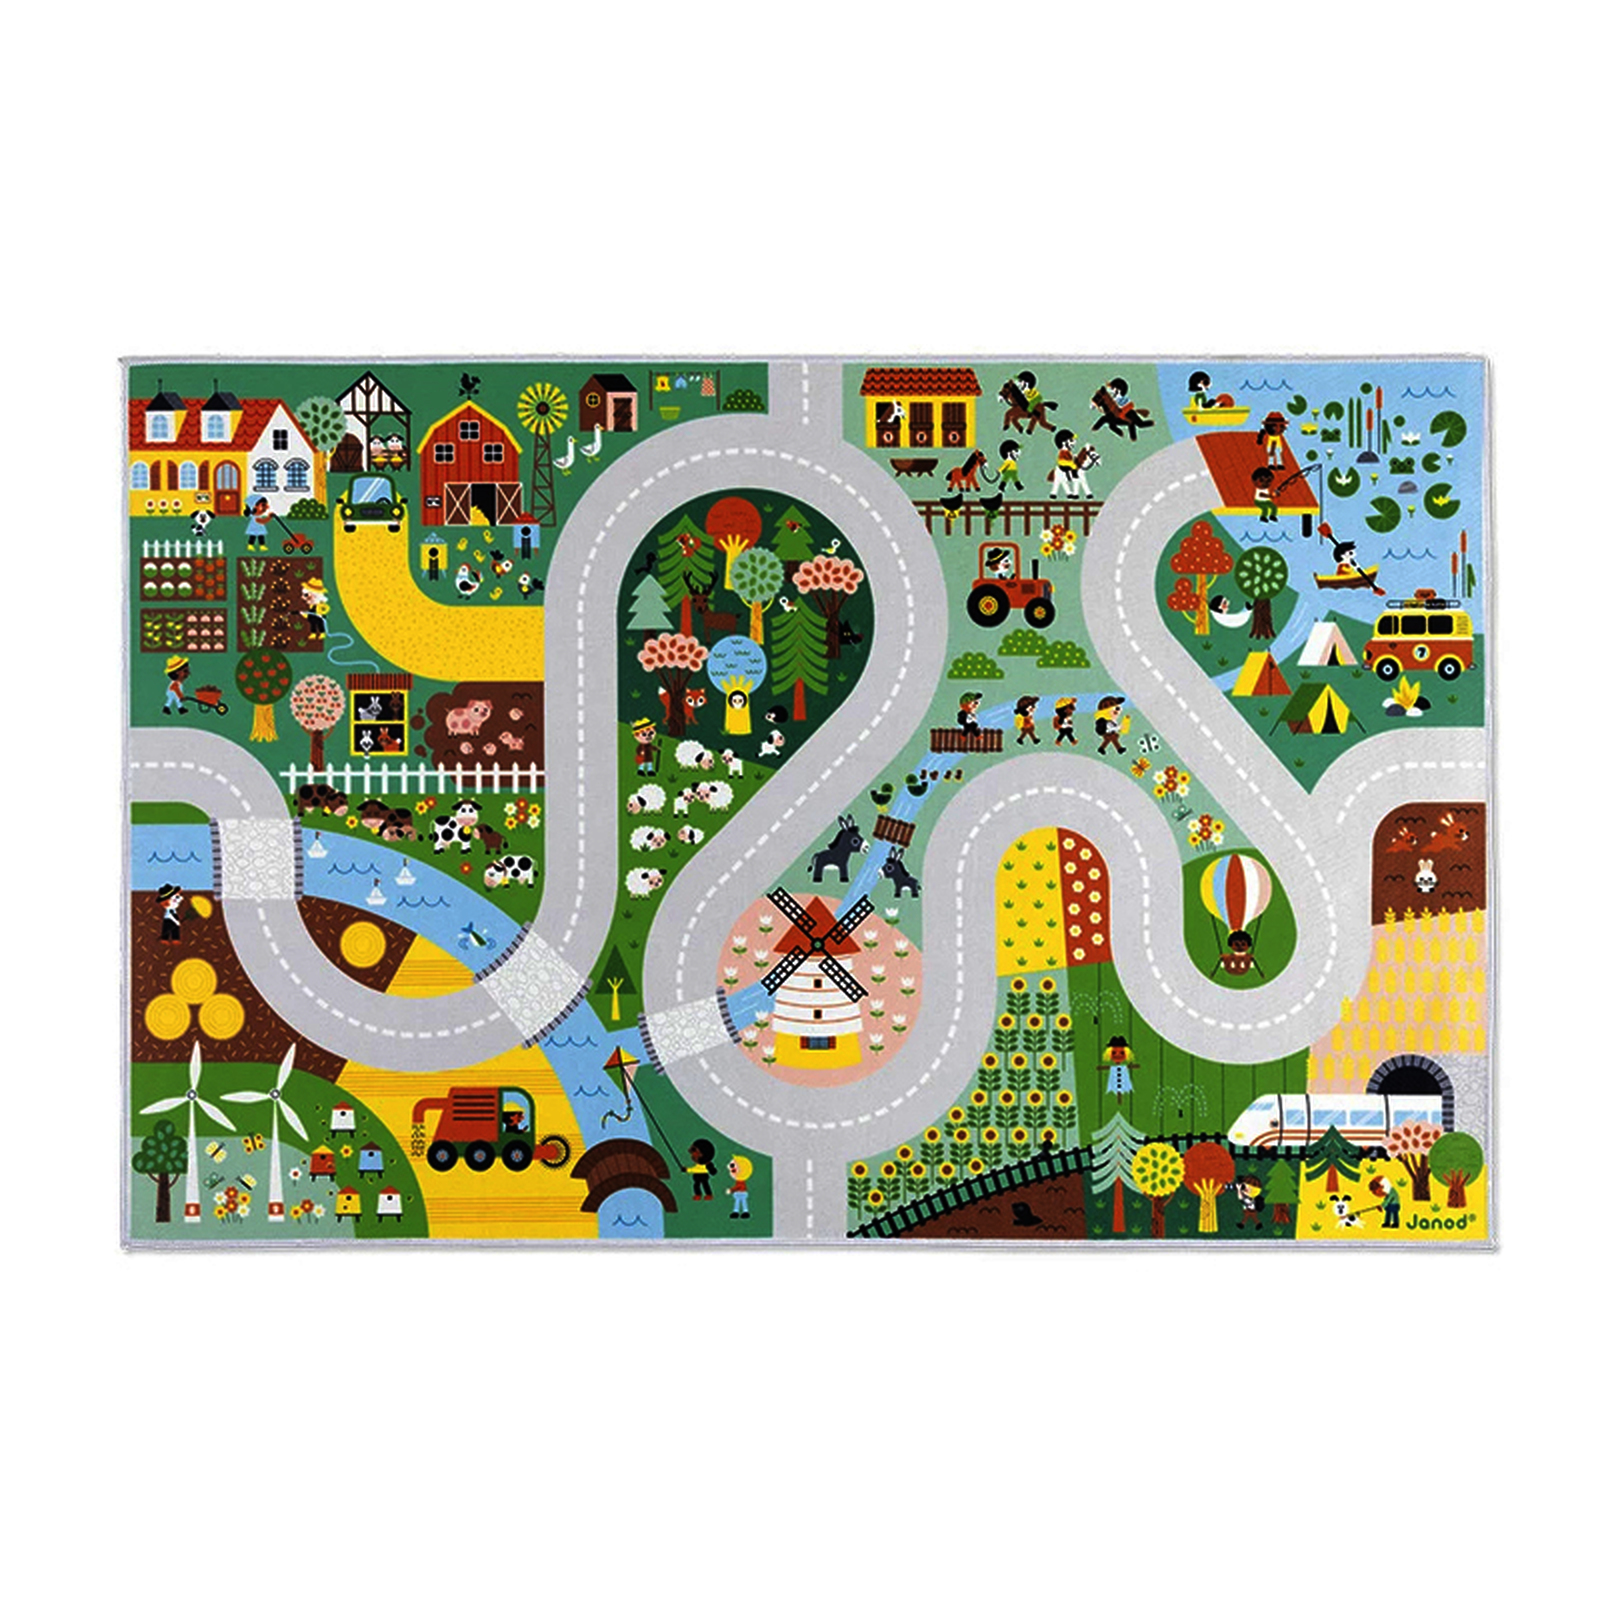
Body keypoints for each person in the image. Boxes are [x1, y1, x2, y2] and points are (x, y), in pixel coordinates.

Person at [299, 576, 329, 642]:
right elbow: (310, 614)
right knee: (312, 623)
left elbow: (326, 609)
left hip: (319, 615)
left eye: (306, 595)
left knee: (320, 624)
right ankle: (313, 633)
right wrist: (304, 614)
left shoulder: (321, 604)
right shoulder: (312, 605)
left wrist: (321, 613)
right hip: (313, 616)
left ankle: (322, 633)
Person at [726, 1154, 753, 1219]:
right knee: (739, 1202)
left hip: (741, 1193)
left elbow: (738, 1187)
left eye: (732, 1166)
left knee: (741, 1202)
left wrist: (731, 1190)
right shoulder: (738, 1180)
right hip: (740, 1193)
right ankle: (738, 1211)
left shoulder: (740, 1180)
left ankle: (742, 1212)